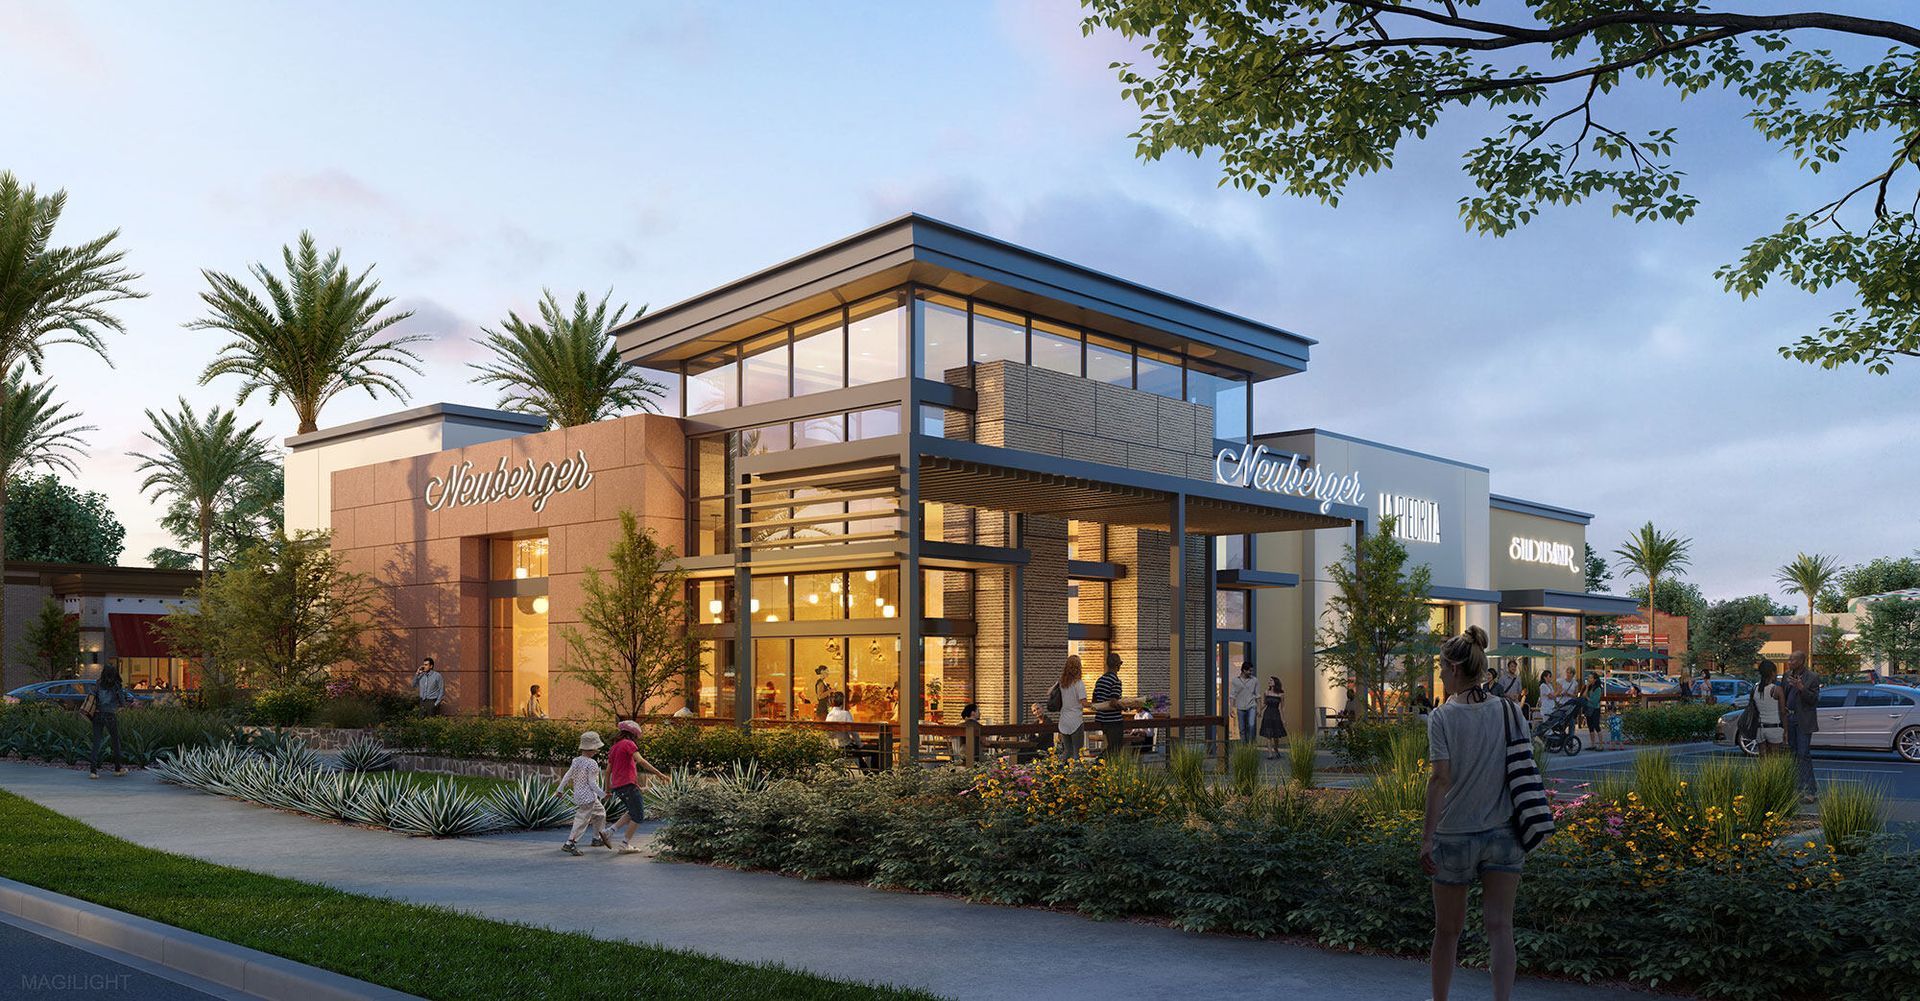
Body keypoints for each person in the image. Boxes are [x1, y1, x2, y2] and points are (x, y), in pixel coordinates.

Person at [1421, 626, 1522, 1001]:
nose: (1441, 676)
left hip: (1455, 835)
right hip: (1504, 834)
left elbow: (1439, 779)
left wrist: (1426, 838)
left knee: (1447, 931)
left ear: (1453, 668)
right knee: (1500, 927)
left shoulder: (1443, 717)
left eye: (1442, 669)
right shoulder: (1510, 711)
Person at [606, 720, 667, 854]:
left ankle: (609, 832)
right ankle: (624, 844)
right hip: (627, 785)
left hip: (618, 786)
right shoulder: (629, 744)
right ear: (633, 735)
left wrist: (607, 789)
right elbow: (641, 761)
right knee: (638, 815)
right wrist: (660, 774)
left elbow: (608, 770)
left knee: (632, 811)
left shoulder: (614, 747)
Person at [558, 731, 613, 856]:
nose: (597, 751)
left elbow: (568, 775)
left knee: (600, 813)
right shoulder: (592, 763)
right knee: (582, 820)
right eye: (596, 749)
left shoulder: (576, 760)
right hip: (588, 797)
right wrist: (604, 794)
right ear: (592, 749)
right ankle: (570, 843)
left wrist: (560, 790)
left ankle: (596, 838)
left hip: (579, 794)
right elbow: (592, 783)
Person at [1785, 651, 1821, 801]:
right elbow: (1783, 696)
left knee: (1803, 754)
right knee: (1793, 754)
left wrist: (1801, 688)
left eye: (1792, 659)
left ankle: (1810, 791)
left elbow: (1813, 700)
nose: (1789, 661)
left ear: (1800, 661)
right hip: (1790, 718)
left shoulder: (1812, 677)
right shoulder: (1787, 675)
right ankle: (1797, 788)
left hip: (1804, 720)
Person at [86, 663, 132, 779]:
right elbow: (122, 701)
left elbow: (92, 697)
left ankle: (93, 771)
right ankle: (117, 768)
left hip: (97, 715)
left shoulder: (98, 684)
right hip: (110, 715)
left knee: (96, 743)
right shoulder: (116, 685)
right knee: (115, 742)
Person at [1091, 652, 1126, 759]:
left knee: (1110, 746)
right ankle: (1098, 764)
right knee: (1115, 748)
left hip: (1101, 719)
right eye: (1120, 664)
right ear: (1117, 665)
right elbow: (1113, 702)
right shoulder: (1115, 681)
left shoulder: (1100, 680)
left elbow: (1094, 700)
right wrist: (1124, 707)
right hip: (1113, 720)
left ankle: (1101, 766)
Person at [1056, 655, 1088, 758]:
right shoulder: (1079, 683)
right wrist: (1097, 705)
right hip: (1076, 720)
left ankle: (1060, 770)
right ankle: (1076, 772)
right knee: (1077, 752)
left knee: (1067, 751)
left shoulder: (1061, 683)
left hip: (1064, 720)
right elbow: (1084, 703)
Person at [1755, 660, 1786, 755]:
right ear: (1772, 673)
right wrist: (1786, 730)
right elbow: (1782, 712)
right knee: (1775, 760)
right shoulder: (1777, 690)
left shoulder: (1755, 688)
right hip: (1774, 727)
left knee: (1763, 759)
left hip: (1760, 728)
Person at [1229, 661, 1260, 744]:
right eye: (1249, 671)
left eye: (1251, 670)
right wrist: (1231, 708)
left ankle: (1250, 744)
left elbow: (1258, 695)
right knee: (1242, 728)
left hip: (1251, 706)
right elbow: (1232, 695)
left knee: (1251, 725)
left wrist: (1259, 709)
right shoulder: (1235, 680)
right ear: (1243, 670)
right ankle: (1244, 747)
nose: (1251, 672)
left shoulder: (1255, 680)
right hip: (1240, 707)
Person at [1259, 676, 1288, 758]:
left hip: (1276, 715)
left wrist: (1283, 719)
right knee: (1268, 735)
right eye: (1269, 680)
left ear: (1275, 682)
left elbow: (1282, 708)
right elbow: (1264, 704)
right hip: (1267, 714)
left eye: (1271, 680)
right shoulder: (1266, 692)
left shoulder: (1281, 694)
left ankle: (1276, 748)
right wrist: (1259, 711)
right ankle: (1270, 754)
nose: (1269, 681)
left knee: (1276, 735)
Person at [1581, 673, 1605, 750]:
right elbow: (1583, 695)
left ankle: (1601, 745)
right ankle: (1592, 744)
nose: (1589, 679)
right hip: (1588, 708)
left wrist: (1587, 698)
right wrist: (1587, 687)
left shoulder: (1598, 689)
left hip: (1595, 709)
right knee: (1590, 727)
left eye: (1590, 678)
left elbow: (1594, 701)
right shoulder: (1590, 687)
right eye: (1588, 678)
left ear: (1595, 679)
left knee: (1596, 726)